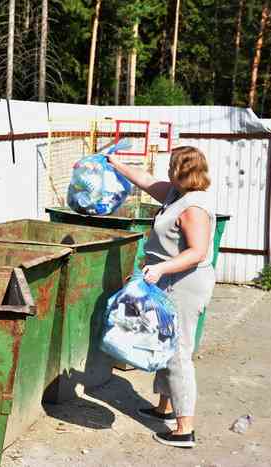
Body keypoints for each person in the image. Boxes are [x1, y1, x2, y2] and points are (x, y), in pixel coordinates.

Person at [107, 146, 216, 449]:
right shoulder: (175, 194)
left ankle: (184, 429)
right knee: (164, 341)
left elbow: (197, 253)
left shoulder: (194, 207)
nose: (167, 171)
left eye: (172, 166)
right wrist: (116, 164)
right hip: (167, 277)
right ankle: (164, 407)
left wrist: (160, 269)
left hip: (184, 282)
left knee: (178, 350)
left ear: (184, 171)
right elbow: (144, 180)